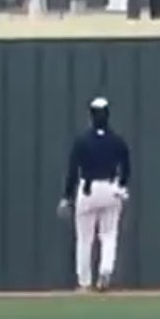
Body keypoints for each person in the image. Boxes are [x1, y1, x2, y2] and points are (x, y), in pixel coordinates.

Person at [57, 97, 131, 293]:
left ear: (91, 116)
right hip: (110, 189)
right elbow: (126, 167)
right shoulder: (117, 141)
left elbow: (73, 170)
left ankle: (84, 282)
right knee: (108, 235)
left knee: (84, 239)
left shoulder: (82, 141)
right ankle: (105, 271)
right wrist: (122, 186)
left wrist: (66, 196)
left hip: (88, 190)